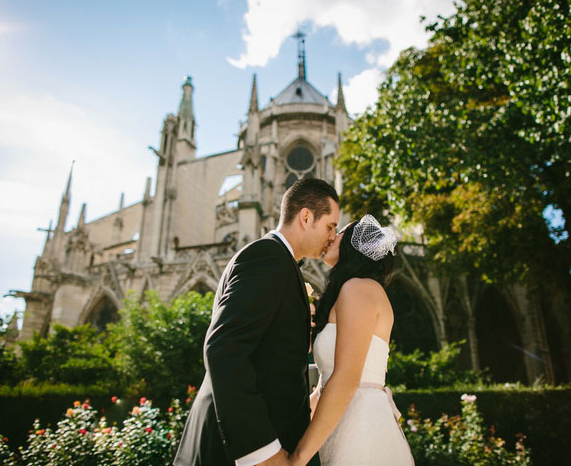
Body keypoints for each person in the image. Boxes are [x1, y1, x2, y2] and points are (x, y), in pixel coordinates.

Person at [174, 178, 340, 466]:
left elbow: (268, 360)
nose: (332, 236)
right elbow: (225, 351)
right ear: (305, 217)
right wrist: (262, 452)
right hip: (236, 453)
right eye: (330, 226)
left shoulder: (276, 260)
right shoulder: (267, 258)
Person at [288, 215, 414, 466]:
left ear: (355, 243)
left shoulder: (359, 288)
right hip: (343, 424)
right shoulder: (353, 289)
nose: (331, 236)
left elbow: (346, 379)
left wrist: (298, 458)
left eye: (339, 230)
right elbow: (324, 385)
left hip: (362, 427)